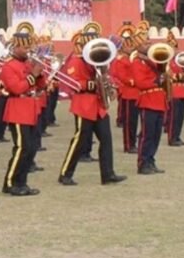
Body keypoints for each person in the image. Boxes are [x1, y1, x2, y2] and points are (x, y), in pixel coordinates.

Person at [57, 24, 126, 187]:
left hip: (98, 106)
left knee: (106, 140)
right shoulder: (76, 60)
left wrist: (109, 84)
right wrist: (92, 84)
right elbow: (74, 83)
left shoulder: (100, 62)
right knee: (79, 141)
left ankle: (108, 174)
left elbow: (106, 77)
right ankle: (65, 173)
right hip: (84, 105)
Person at [0, 23, 45, 196]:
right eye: (25, 47)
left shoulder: (28, 64)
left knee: (31, 148)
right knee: (22, 147)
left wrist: (40, 74)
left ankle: (22, 182)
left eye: (29, 47)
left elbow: (41, 86)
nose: (28, 50)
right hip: (18, 109)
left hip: (31, 108)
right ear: (16, 47)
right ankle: (10, 182)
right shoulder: (8, 66)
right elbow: (16, 88)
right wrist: (33, 75)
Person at [132, 41, 168, 175]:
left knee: (156, 135)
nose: (148, 46)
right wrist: (156, 82)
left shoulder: (153, 61)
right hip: (148, 100)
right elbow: (140, 82)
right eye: (144, 44)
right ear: (138, 46)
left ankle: (151, 160)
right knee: (147, 135)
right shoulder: (137, 62)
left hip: (159, 99)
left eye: (149, 43)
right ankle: (143, 163)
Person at [110, 25, 139, 154]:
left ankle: (133, 143)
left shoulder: (131, 58)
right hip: (128, 93)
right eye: (129, 46)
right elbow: (122, 77)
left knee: (134, 121)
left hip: (136, 93)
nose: (131, 48)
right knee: (128, 122)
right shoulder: (121, 60)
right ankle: (128, 145)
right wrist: (135, 81)